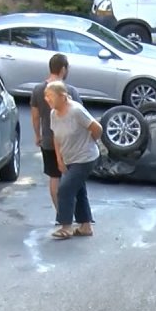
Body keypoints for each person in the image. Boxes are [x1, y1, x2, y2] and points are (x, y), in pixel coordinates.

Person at [45, 81, 102, 240]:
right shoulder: (53, 113)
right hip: (69, 158)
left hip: (85, 158)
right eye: (46, 96)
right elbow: (56, 137)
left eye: (50, 96)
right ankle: (85, 226)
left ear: (62, 97)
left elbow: (97, 128)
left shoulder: (76, 110)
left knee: (65, 189)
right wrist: (59, 159)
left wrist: (90, 142)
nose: (47, 99)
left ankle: (66, 226)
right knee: (78, 190)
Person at [32, 54, 84, 221]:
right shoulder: (70, 91)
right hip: (69, 142)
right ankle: (76, 215)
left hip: (48, 141)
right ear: (63, 69)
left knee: (54, 177)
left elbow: (35, 115)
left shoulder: (38, 89)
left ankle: (60, 214)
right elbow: (81, 117)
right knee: (73, 178)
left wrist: (37, 135)